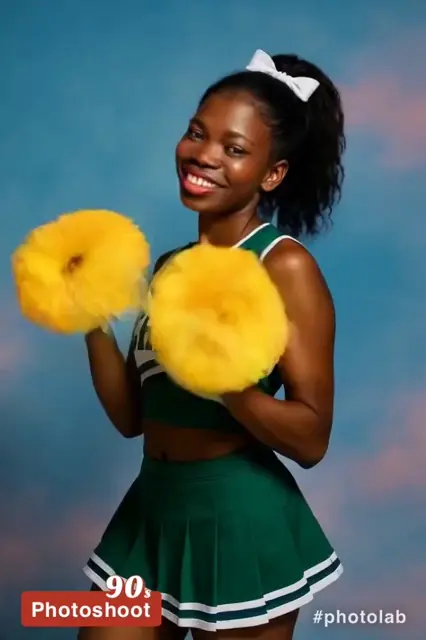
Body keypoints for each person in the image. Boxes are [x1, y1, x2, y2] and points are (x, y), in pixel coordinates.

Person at [78, 48, 346, 640]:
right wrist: (89, 312)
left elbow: (312, 439)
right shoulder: (171, 267)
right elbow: (131, 418)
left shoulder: (284, 267)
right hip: (151, 509)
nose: (204, 155)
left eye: (235, 148)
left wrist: (223, 383)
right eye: (198, 133)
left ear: (272, 174)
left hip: (237, 521)